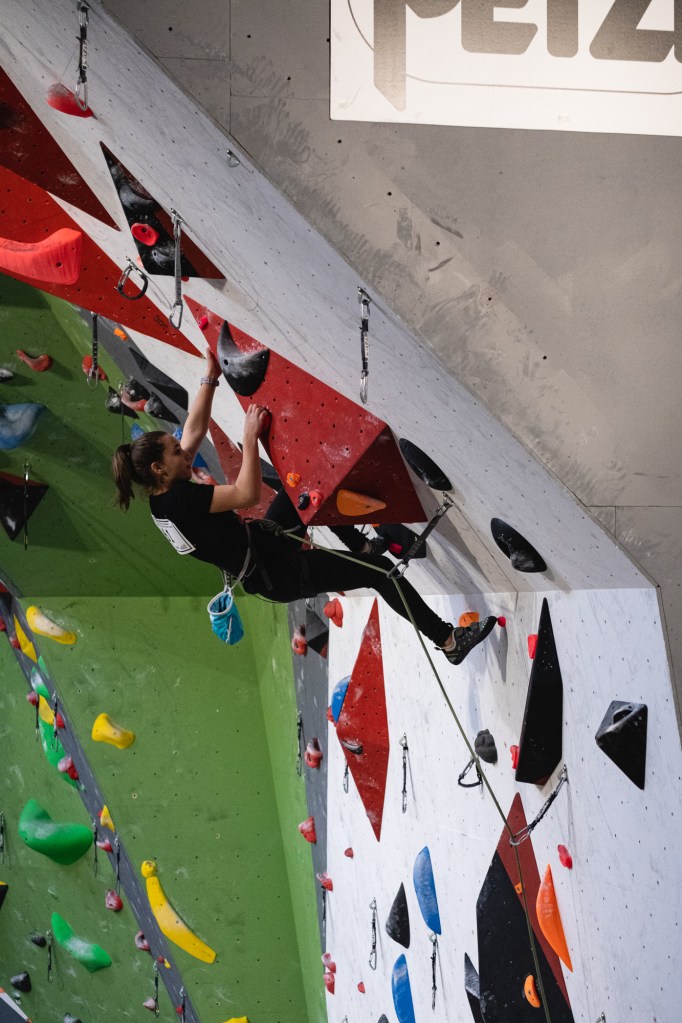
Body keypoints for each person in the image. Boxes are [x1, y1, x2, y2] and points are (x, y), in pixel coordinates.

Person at [111, 349, 497, 665]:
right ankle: (449, 641)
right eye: (175, 453)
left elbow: (193, 430)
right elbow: (246, 494)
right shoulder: (179, 501)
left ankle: (361, 545)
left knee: (306, 494)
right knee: (380, 573)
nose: (185, 452)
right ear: (159, 469)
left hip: (263, 548)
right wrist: (249, 438)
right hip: (278, 572)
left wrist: (209, 377)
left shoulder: (161, 498)